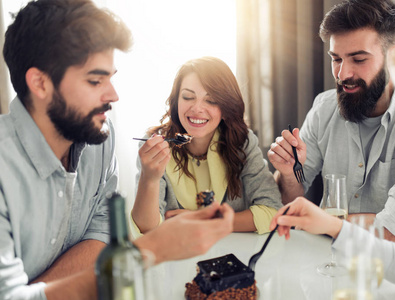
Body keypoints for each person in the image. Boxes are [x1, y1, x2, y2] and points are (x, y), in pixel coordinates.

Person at [0, 1, 234, 299]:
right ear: (40, 83)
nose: (113, 95)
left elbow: (102, 234)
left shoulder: (100, 138)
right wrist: (150, 250)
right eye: (96, 80)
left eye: (111, 77)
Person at [271, 16, 395, 297]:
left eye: (358, 59)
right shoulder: (324, 108)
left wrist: (327, 222)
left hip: (393, 284)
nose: (342, 74)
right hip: (327, 266)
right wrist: (288, 172)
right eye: (336, 59)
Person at [131, 56, 282, 235]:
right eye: (188, 97)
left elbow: (271, 211)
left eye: (211, 100)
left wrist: (205, 221)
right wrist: (149, 178)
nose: (197, 109)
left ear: (226, 108)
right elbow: (146, 229)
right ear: (176, 101)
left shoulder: (242, 142)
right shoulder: (154, 146)